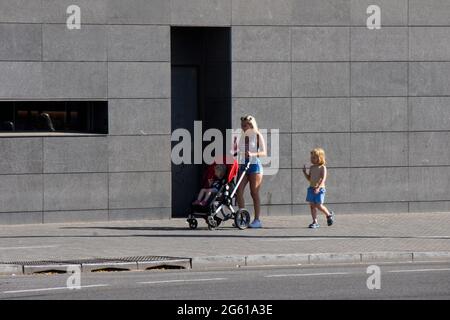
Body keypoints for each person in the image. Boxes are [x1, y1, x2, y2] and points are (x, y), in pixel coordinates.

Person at [233, 115, 266, 228]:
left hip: (254, 166)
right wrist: (235, 150)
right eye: (242, 125)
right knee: (238, 192)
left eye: (245, 125)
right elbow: (237, 151)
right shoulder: (242, 136)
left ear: (251, 125)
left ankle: (257, 220)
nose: (243, 127)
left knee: (254, 192)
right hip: (243, 166)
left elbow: (264, 152)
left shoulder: (257, 135)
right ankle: (242, 217)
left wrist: (253, 154)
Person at [302, 148, 335, 229]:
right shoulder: (312, 167)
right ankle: (315, 222)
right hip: (311, 189)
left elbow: (323, 179)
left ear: (320, 157)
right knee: (312, 206)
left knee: (319, 205)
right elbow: (310, 179)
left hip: (319, 189)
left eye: (314, 157)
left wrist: (318, 188)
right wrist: (305, 173)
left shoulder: (322, 167)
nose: (312, 159)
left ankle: (329, 215)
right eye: (311, 157)